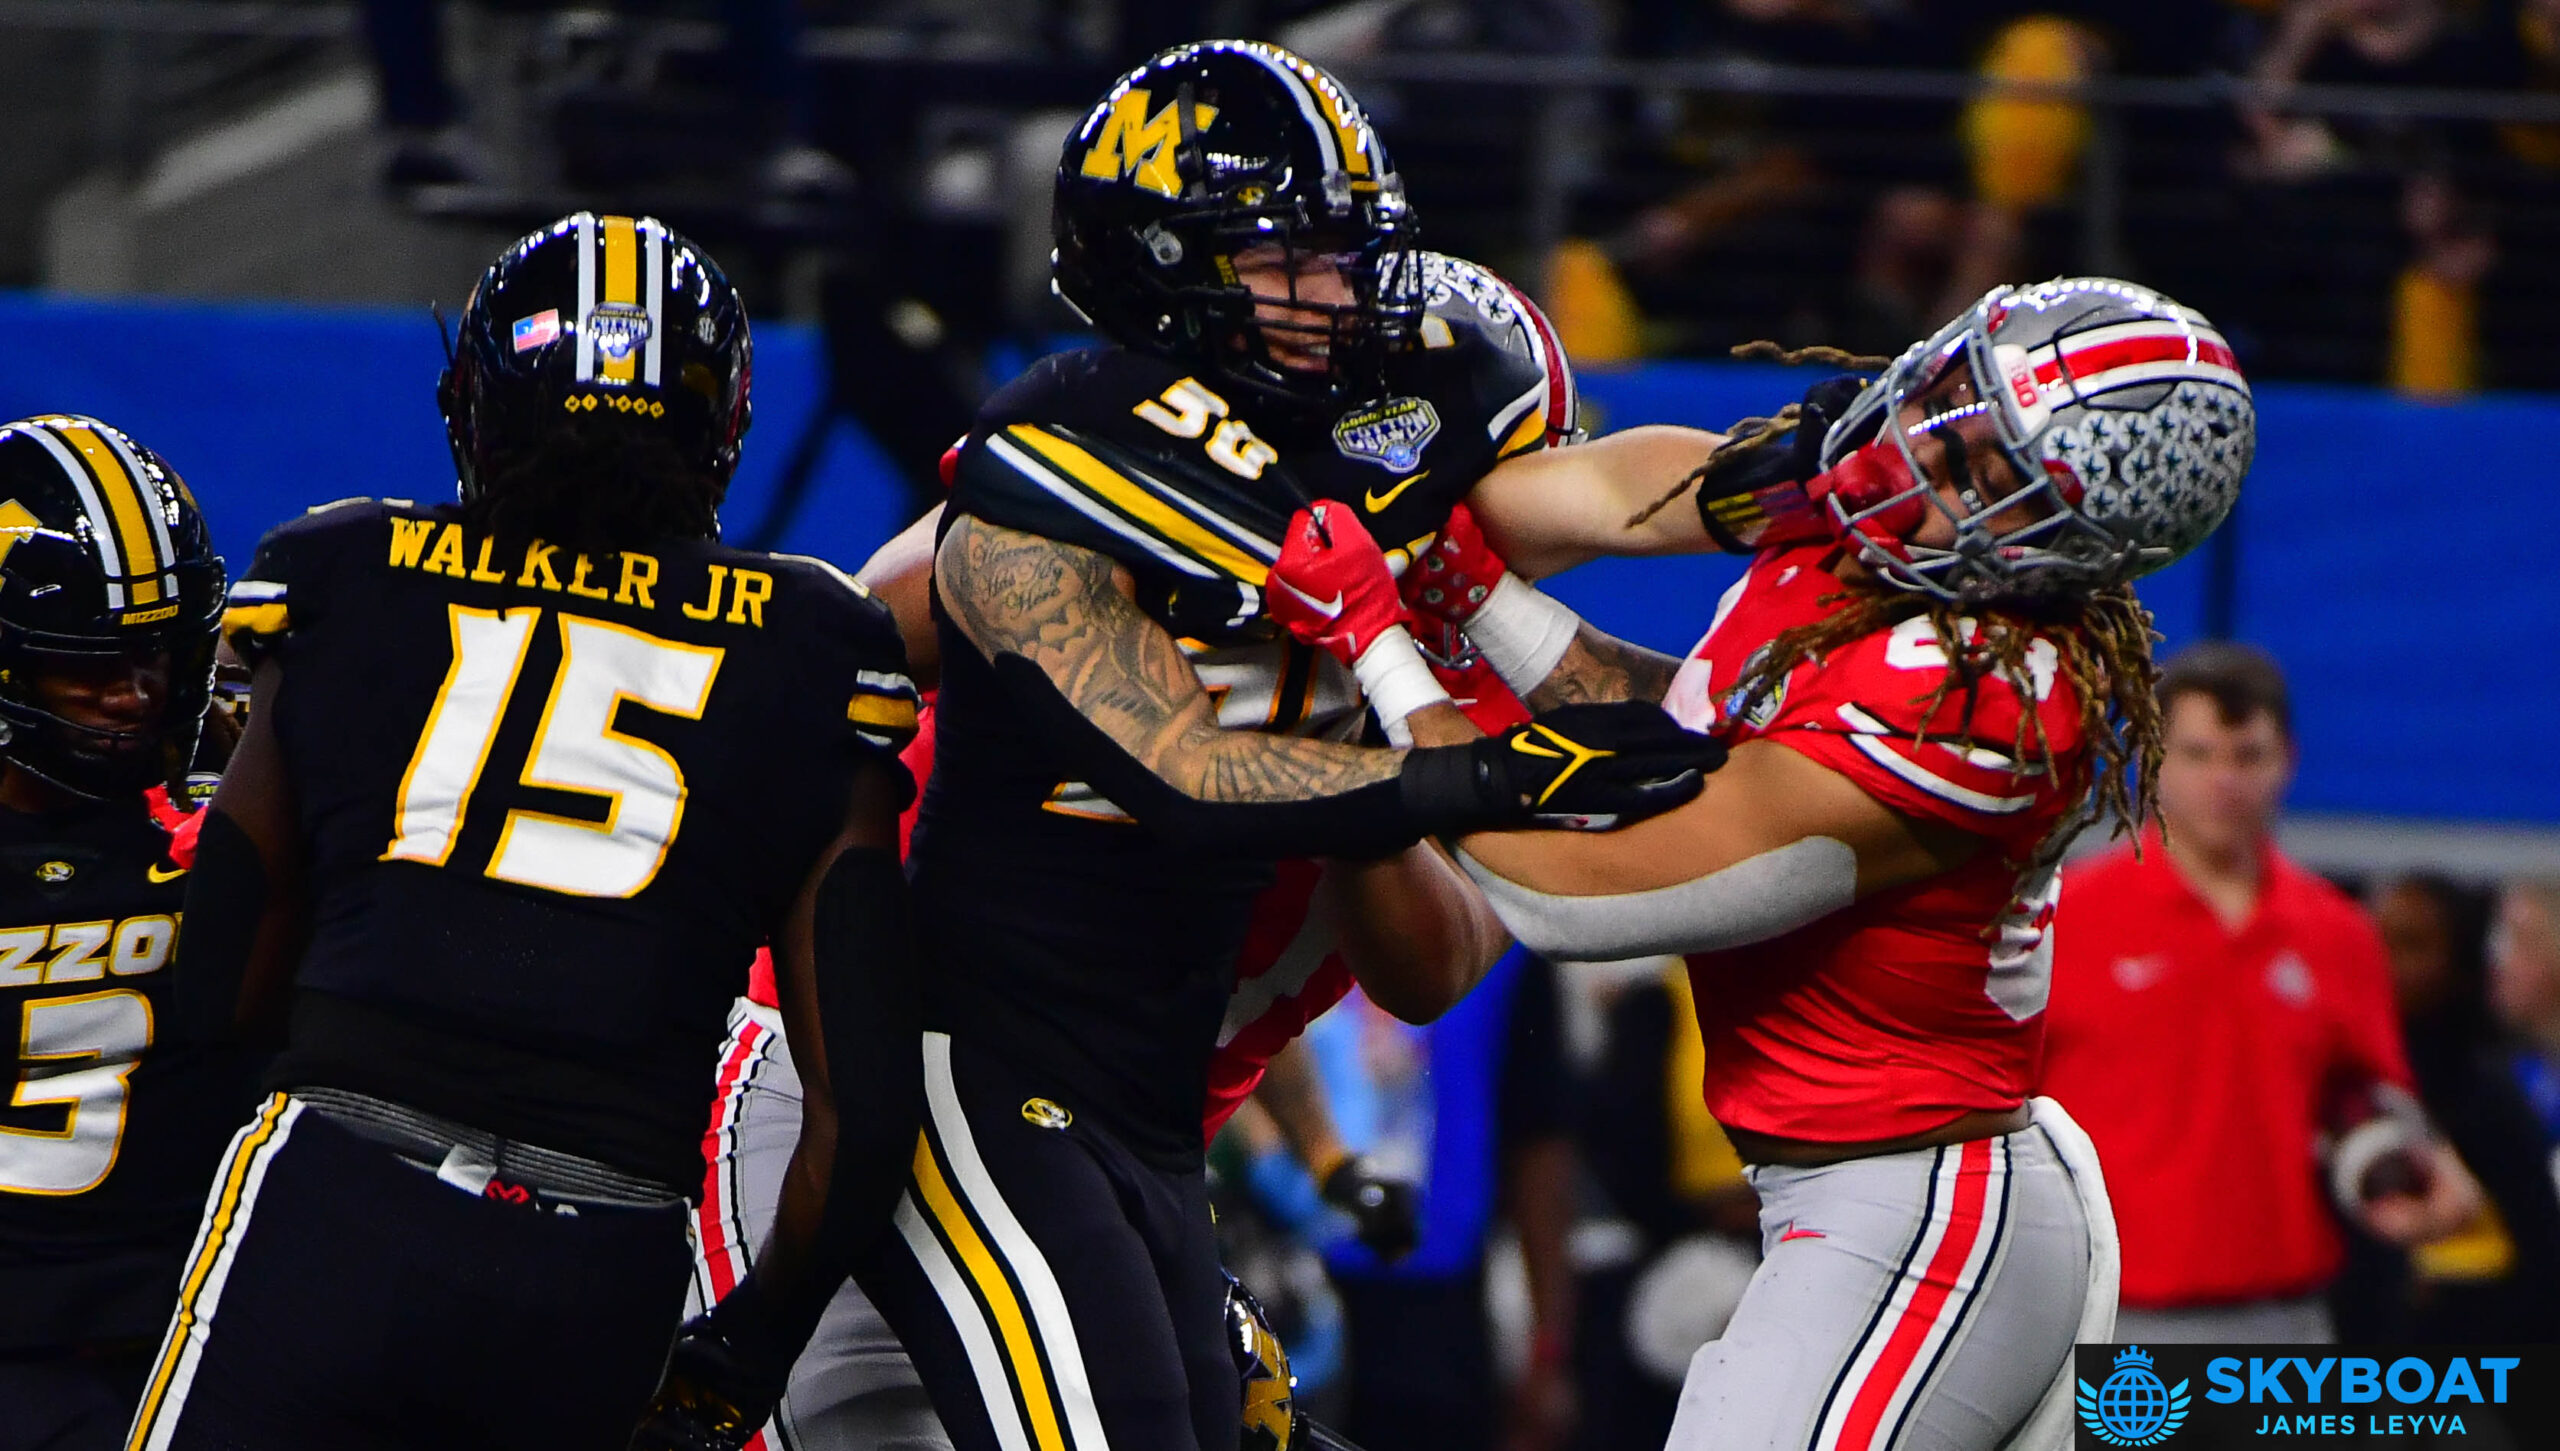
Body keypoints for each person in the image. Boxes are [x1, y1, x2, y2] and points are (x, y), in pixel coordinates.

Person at [856, 40, 1724, 1451]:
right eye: (1293, 262)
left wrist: (1373, 714)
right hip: (906, 1049)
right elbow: (867, 638)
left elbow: (1427, 963)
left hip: (1143, 1116)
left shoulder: (1441, 672)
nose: (1327, 301)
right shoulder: (1141, 491)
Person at [1262, 276, 2259, 1449]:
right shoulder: (1860, 527)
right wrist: (1469, 588)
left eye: (1989, 472)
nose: (1928, 451)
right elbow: (1689, 718)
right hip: (1865, 1205)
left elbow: (1575, 893)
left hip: (1921, 1215)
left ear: (2062, 549)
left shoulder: (1981, 692)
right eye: (1956, 398)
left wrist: (1381, 650)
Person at [128, 213, 923, 1449]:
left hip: (337, 1194)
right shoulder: (818, 643)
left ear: (480, 398)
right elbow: (862, 1112)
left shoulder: (346, 567)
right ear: (720, 419)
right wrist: (749, 1344)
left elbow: (223, 971)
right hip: (597, 1261)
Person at [2040, 642, 2483, 1345]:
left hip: (2288, 1319)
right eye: (2198, 754)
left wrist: (2421, 1165)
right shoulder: (2066, 918)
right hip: (2107, 1317)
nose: (2225, 780)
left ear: (2289, 761)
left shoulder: (2337, 932)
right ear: (2152, 760)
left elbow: (2365, 1094)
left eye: (2248, 756)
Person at [0, 417, 246, 1451]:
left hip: (191, 1323)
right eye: (90, 666)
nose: (136, 695)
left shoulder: (245, 802)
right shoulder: (239, 822)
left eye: (158, 654)